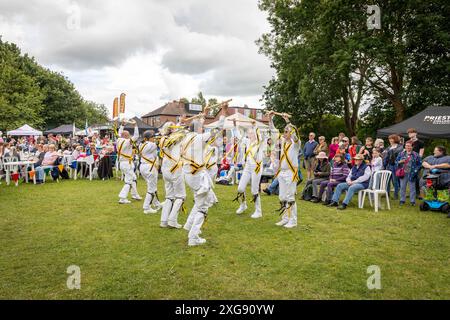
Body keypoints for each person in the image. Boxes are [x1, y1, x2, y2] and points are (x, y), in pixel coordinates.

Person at [182, 104, 227, 246]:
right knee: (203, 205)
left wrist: (204, 115)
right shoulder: (199, 138)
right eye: (202, 127)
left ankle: (189, 225)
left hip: (188, 174)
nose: (203, 127)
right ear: (199, 129)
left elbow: (197, 126)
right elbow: (218, 129)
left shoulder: (185, 137)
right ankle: (193, 237)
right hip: (197, 175)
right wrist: (224, 112)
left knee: (198, 200)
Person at [268, 112, 301, 228]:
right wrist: (270, 118)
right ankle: (285, 218)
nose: (284, 133)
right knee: (282, 197)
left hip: (291, 172)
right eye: (284, 131)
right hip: (282, 172)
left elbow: (295, 134)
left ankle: (293, 220)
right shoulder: (283, 142)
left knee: (290, 197)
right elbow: (273, 131)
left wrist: (287, 121)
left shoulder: (296, 144)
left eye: (286, 131)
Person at [233, 119, 265, 219]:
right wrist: (235, 125)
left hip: (257, 167)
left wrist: (254, 126)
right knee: (240, 188)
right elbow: (238, 136)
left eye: (251, 133)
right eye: (249, 133)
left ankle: (258, 211)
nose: (249, 134)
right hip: (247, 166)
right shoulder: (247, 142)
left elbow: (259, 136)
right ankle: (243, 205)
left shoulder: (260, 142)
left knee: (254, 190)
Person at [158, 121, 187, 229]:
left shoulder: (162, 138)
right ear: (172, 129)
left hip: (165, 168)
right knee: (181, 196)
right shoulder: (175, 138)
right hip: (175, 168)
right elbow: (184, 132)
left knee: (169, 196)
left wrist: (179, 124)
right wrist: (180, 125)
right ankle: (172, 220)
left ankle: (163, 221)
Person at [116, 121, 141, 204]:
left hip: (124, 163)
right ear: (126, 136)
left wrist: (122, 125)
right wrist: (135, 125)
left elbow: (120, 132)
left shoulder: (119, 139)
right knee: (129, 181)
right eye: (129, 135)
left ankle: (135, 194)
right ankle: (122, 198)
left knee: (133, 178)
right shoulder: (127, 142)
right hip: (126, 163)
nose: (130, 136)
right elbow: (136, 136)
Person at [139, 130, 162, 215]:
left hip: (143, 167)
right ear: (148, 138)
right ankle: (146, 207)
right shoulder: (152, 145)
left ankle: (157, 204)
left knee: (152, 186)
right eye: (153, 137)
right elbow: (157, 151)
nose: (154, 138)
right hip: (150, 167)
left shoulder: (141, 144)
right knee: (151, 188)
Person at [396, 141, 422, 206]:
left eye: (409, 146)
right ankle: (402, 200)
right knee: (402, 187)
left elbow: (419, 164)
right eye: (406, 145)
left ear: (412, 146)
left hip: (412, 173)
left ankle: (412, 201)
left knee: (412, 188)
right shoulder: (401, 154)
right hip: (403, 173)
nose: (408, 147)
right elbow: (396, 162)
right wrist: (400, 161)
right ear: (405, 146)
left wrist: (415, 171)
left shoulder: (416, 154)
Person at [383, 134, 403, 199]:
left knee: (395, 181)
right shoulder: (388, 147)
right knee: (387, 181)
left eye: (392, 139)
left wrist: (389, 151)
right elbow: (385, 156)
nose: (390, 140)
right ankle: (387, 194)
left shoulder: (400, 147)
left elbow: (397, 154)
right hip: (388, 165)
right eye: (389, 139)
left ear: (395, 139)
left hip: (395, 165)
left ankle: (396, 195)